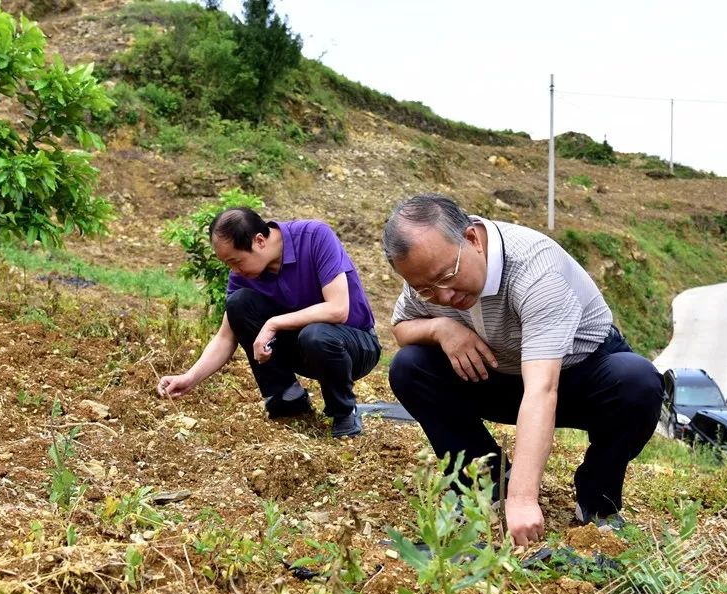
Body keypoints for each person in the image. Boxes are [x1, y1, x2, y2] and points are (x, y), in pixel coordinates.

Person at [382, 193, 663, 545]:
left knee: (637, 382)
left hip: (576, 374)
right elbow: (401, 328)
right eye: (426, 290)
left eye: (448, 276)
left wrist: (524, 498)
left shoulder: (535, 268)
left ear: (471, 239)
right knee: (410, 367)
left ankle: (597, 501)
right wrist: (441, 329)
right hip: (500, 372)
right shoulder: (428, 276)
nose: (444, 296)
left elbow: (542, 389)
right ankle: (487, 483)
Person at [157, 207, 381, 437]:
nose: (234, 270)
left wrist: (273, 324)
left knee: (316, 335)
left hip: (354, 346)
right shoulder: (243, 276)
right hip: (306, 348)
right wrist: (189, 378)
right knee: (239, 304)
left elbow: (338, 309)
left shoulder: (314, 236)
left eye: (236, 261)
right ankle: (287, 399)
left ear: (260, 241)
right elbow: (226, 336)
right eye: (229, 265)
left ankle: (343, 412)